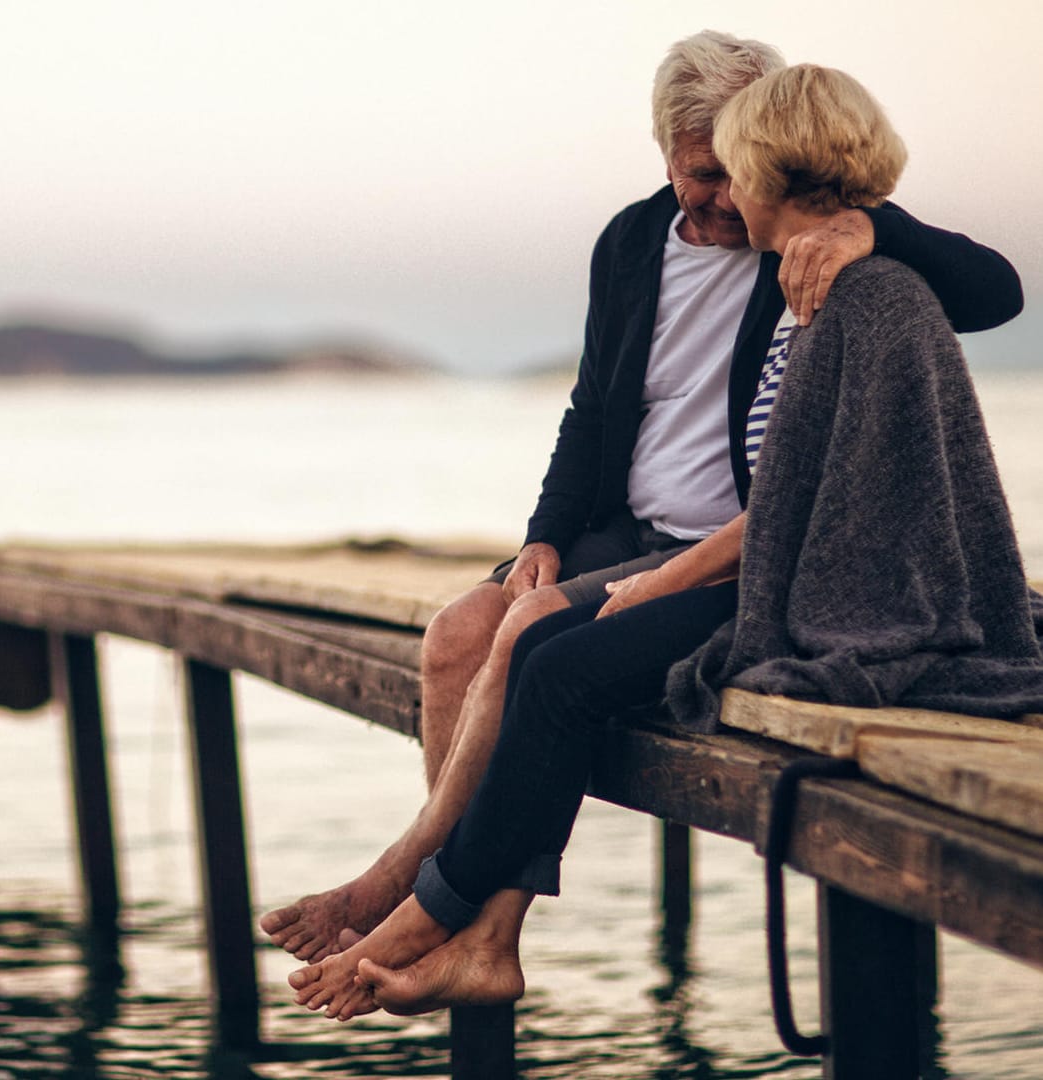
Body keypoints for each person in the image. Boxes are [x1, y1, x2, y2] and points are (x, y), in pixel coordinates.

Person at [288, 62, 1043, 1023]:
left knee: (542, 652)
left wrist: (866, 222)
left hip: (763, 568)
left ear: (768, 162)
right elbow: (600, 406)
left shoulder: (834, 275)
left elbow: (811, 491)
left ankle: (432, 910)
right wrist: (549, 537)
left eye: (737, 169)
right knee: (465, 635)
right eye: (704, 171)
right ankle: (452, 915)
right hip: (686, 543)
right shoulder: (643, 242)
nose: (723, 194)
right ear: (671, 161)